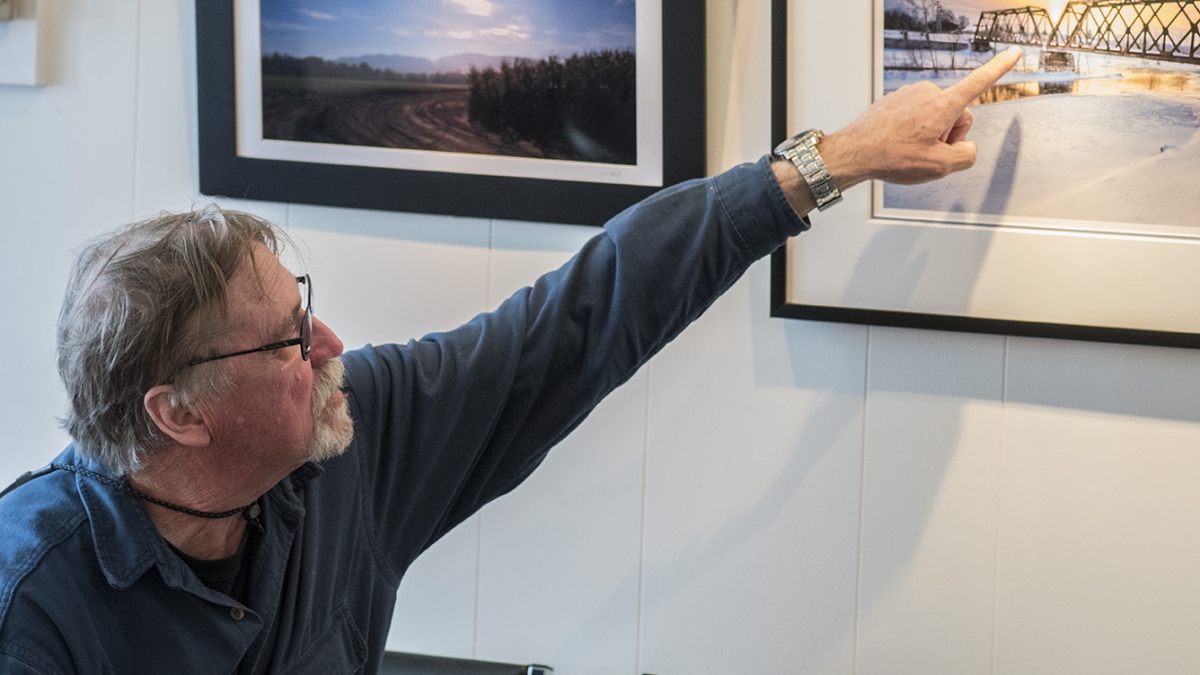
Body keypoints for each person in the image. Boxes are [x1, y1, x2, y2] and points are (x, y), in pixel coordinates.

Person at [0, 49, 1021, 674]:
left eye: (307, 311)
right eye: (287, 341)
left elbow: (580, 318)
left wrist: (829, 161)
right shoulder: (29, 606)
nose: (332, 347)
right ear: (179, 412)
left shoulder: (347, 441)